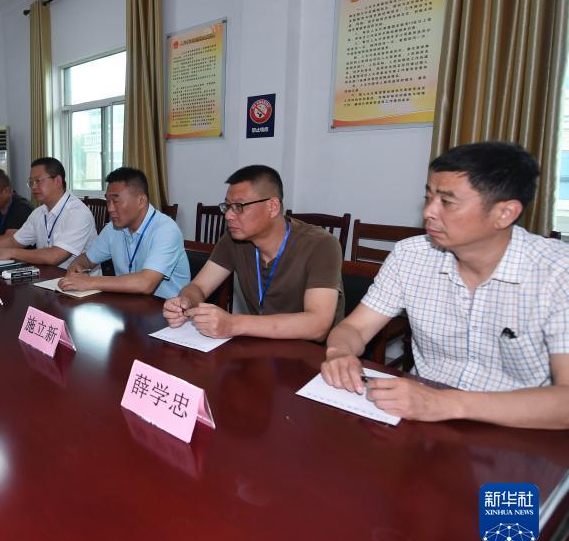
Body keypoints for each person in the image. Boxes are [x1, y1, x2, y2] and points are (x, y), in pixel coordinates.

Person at [322, 141, 569, 430]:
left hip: (519, 428)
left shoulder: (557, 273)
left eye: (447, 202)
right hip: (421, 420)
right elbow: (354, 328)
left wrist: (445, 403)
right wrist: (340, 353)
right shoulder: (411, 255)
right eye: (428, 198)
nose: (429, 211)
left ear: (505, 213)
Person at [163, 165, 343, 340]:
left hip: (313, 352)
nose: (228, 215)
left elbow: (317, 325)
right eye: (227, 206)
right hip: (260, 343)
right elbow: (199, 287)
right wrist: (184, 302)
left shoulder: (321, 244)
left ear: (273, 206)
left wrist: (233, 324)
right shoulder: (234, 239)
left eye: (238, 206)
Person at [59, 167, 189, 298]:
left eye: (116, 201)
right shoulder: (113, 228)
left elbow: (145, 283)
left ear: (141, 201)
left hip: (166, 307)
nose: (110, 209)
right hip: (128, 303)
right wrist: (76, 267)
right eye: (108, 201)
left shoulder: (166, 230)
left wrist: (90, 282)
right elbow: (87, 259)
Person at [0, 157, 96, 269]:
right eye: (31, 182)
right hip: (47, 279)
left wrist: (11, 253)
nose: (34, 187)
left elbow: (54, 256)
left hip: (80, 285)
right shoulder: (39, 213)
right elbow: (14, 241)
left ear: (58, 181)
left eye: (38, 181)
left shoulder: (78, 213)